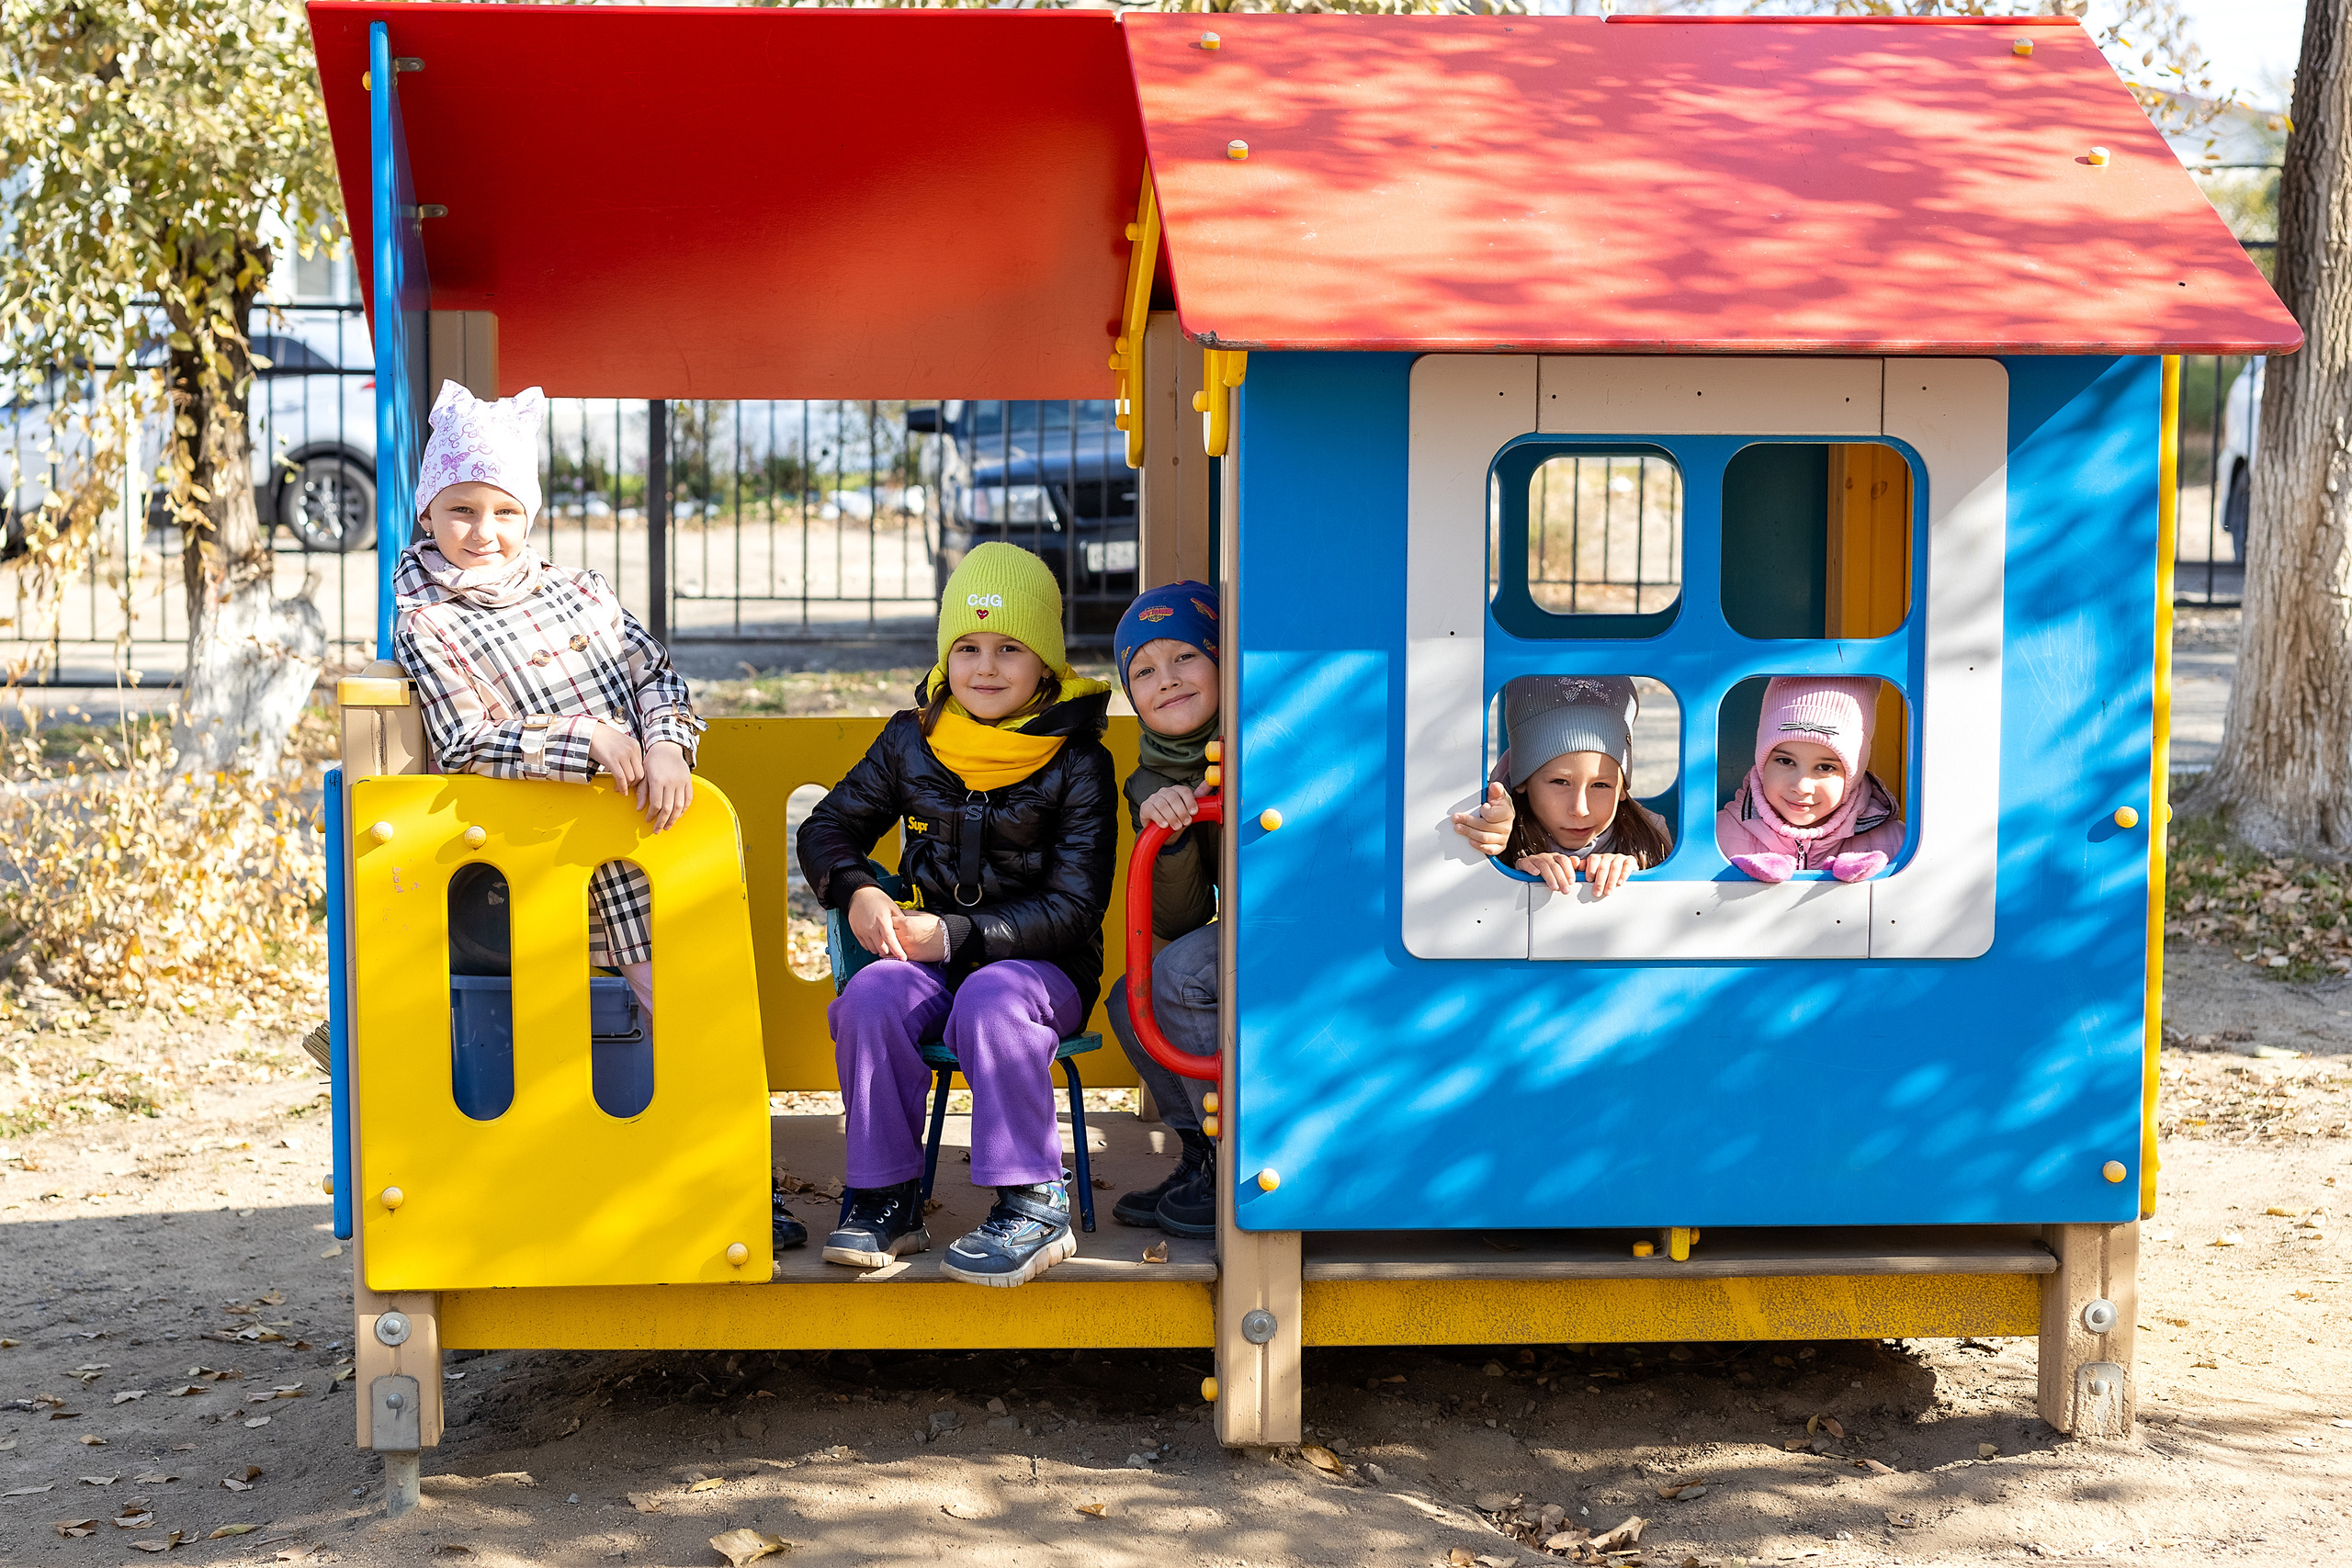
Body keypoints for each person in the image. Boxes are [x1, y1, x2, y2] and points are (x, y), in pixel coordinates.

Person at [392, 380, 808, 1251]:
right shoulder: (426, 619)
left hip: (650, 846)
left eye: (504, 509)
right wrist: (581, 737)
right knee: (583, 1028)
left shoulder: (580, 591)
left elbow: (658, 675)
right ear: (428, 510)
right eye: (461, 509)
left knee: (697, 1010)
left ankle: (732, 1180)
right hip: (549, 864)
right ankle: (588, 1194)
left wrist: (663, 744)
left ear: (530, 515)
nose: (483, 532)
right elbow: (467, 737)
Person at [798, 542, 1117, 1287]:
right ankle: (886, 1195)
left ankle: (1034, 1201)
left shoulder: (1077, 760)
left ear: (1046, 663)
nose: (986, 666)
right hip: (934, 957)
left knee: (992, 995)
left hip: (1043, 964)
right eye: (967, 647)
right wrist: (859, 888)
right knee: (872, 995)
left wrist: (956, 933)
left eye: (1011, 648)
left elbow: (1075, 905)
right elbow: (826, 828)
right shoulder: (914, 738)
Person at [1101, 582, 1222, 1239]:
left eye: (1186, 658)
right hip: (1248, 929)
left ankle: (1234, 1153)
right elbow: (1176, 917)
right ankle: (1201, 1152)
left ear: (1222, 661)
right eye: (1144, 669)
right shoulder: (1152, 775)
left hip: (1304, 925)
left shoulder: (1258, 737)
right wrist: (1169, 834)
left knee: (1177, 975)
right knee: (1132, 994)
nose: (1166, 680)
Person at [1452, 675, 1672, 894]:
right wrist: (1504, 856)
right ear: (1523, 780)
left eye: (1601, 785)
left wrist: (1639, 868)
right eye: (1560, 782)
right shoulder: (1502, 828)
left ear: (1622, 787)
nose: (1580, 809)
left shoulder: (1649, 836)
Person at [1715, 675, 1905, 882]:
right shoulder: (1715, 837)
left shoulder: (1899, 843)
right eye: (1785, 761)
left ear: (1854, 774)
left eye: (1825, 767)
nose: (1802, 786)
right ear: (1763, 763)